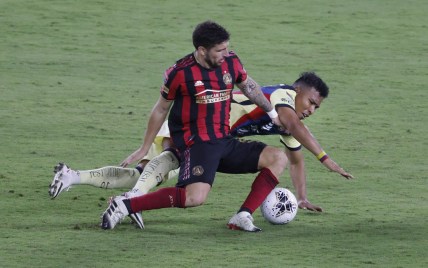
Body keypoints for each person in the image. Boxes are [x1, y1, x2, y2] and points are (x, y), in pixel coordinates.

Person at [99, 21, 353, 232]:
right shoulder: (179, 73)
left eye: (226, 49)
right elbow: (160, 109)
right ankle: (125, 205)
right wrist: (144, 145)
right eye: (219, 50)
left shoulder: (231, 63)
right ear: (202, 50)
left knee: (277, 158)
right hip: (199, 141)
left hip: (224, 139)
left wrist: (269, 111)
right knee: (194, 197)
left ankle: (242, 215)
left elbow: (249, 86)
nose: (225, 54)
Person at [50, 73, 334, 214]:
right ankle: (126, 203)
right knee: (154, 170)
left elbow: (295, 159)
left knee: (143, 173)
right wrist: (326, 158)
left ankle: (76, 178)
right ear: (297, 91)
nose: (311, 110)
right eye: (311, 102)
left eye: (316, 108)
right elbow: (296, 127)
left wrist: (302, 195)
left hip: (208, 138)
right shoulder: (282, 97)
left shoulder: (286, 121)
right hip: (194, 126)